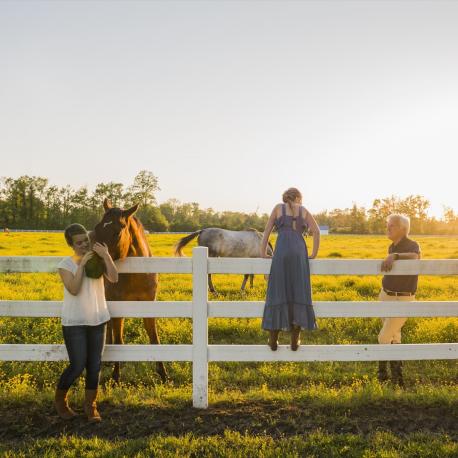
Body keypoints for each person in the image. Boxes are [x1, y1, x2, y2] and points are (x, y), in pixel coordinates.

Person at [55, 223, 118, 422]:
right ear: (71, 245)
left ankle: (90, 406)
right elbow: (73, 289)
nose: (84, 245)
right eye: (79, 243)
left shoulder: (98, 260)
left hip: (98, 319)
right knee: (77, 364)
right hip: (75, 322)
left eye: (86, 241)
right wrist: (81, 265)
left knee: (95, 365)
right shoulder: (65, 264)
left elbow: (114, 278)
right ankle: (61, 402)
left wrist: (106, 256)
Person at [260, 187, 320, 350]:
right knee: (299, 290)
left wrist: (263, 252)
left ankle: (273, 338)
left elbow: (266, 232)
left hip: (281, 252)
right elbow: (316, 232)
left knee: (278, 290)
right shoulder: (304, 211)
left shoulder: (278, 209)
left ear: (285, 197)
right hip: (299, 252)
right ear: (299, 198)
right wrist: (313, 253)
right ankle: (295, 337)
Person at [378, 214, 421, 387]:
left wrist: (394, 256)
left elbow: (414, 257)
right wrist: (392, 254)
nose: (388, 228)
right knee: (394, 336)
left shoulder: (412, 245)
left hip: (403, 298)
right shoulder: (391, 246)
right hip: (386, 295)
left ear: (403, 229)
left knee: (383, 337)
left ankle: (382, 373)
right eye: (387, 224)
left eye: (392, 225)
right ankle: (398, 378)